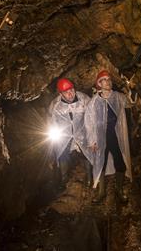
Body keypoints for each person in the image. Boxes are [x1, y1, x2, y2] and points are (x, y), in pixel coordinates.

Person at [85, 70, 132, 203]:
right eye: (104, 79)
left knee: (120, 163)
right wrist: (92, 141)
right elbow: (88, 123)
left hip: (115, 135)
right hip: (100, 137)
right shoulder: (93, 102)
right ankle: (101, 192)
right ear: (99, 83)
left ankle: (119, 189)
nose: (108, 81)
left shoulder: (117, 96)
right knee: (101, 163)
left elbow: (129, 103)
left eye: (109, 79)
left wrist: (131, 89)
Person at [48, 78, 93, 190]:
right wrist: (54, 135)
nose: (70, 94)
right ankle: (64, 179)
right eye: (66, 92)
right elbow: (51, 121)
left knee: (85, 154)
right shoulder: (55, 105)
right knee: (62, 155)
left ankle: (89, 177)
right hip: (64, 135)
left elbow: (92, 116)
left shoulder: (84, 99)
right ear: (61, 94)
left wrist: (92, 134)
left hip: (81, 132)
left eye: (72, 90)